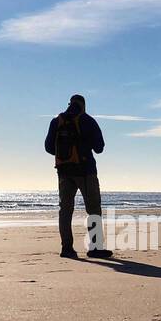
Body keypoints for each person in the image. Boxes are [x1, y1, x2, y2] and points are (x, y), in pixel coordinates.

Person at [44, 94, 113, 259]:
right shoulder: (88, 120)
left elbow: (48, 147)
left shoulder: (56, 121)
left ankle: (66, 248)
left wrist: (66, 155)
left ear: (69, 104)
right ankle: (95, 248)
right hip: (85, 171)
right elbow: (100, 148)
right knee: (93, 209)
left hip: (63, 172)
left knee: (65, 211)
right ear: (83, 105)